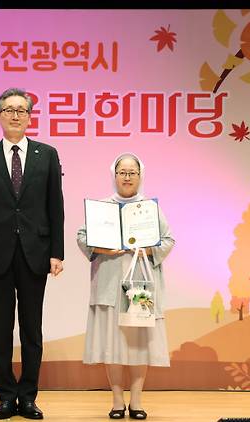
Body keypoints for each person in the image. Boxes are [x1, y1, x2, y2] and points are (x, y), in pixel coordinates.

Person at [0, 88, 65, 420]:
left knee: (31, 330)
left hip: (36, 253)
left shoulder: (47, 154)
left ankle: (29, 396)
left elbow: (56, 208)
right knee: (0, 330)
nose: (15, 115)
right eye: (8, 110)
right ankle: (7, 396)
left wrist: (57, 252)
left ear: (30, 116)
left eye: (21, 110)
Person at [76, 153, 175, 420]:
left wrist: (148, 248)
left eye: (132, 172)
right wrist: (102, 247)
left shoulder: (149, 209)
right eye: (122, 172)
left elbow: (168, 240)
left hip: (140, 284)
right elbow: (82, 237)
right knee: (112, 344)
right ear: (114, 175)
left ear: (140, 176)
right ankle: (117, 400)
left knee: (139, 343)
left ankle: (137, 401)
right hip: (108, 283)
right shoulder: (102, 208)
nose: (127, 177)